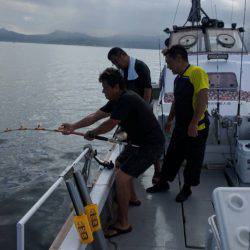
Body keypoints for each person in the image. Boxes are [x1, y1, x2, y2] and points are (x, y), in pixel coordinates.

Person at [60, 68, 165, 237]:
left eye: (105, 88)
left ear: (116, 87)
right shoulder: (117, 99)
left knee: (122, 178)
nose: (103, 91)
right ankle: (132, 198)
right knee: (119, 163)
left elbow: (110, 123)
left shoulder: (127, 99)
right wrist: (73, 126)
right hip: (138, 143)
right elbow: (96, 115)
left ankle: (124, 224)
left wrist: (93, 133)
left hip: (151, 145)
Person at [146, 45, 210, 203]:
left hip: (197, 127)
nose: (168, 66)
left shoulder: (196, 73)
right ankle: (163, 183)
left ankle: (187, 188)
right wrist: (170, 119)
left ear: (179, 59)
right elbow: (177, 100)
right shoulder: (178, 78)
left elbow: (203, 98)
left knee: (193, 160)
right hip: (181, 125)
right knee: (172, 155)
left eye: (169, 62)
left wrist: (194, 123)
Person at [107, 47, 161, 184]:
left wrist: (145, 109)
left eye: (115, 61)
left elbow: (148, 89)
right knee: (128, 138)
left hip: (142, 110)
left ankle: (158, 170)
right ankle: (131, 165)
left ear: (123, 55)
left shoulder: (140, 67)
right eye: (113, 63)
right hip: (128, 110)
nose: (115, 64)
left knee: (149, 140)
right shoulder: (122, 71)